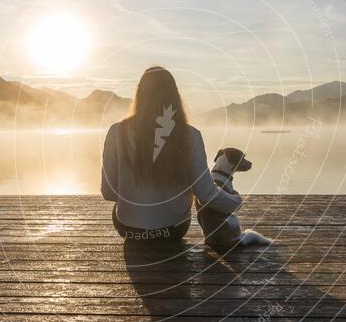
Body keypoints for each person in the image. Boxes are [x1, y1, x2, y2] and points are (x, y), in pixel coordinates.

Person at [100, 66, 242, 241]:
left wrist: (136, 199)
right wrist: (235, 201)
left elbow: (108, 192)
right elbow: (205, 193)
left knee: (120, 211)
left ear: (140, 95)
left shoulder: (116, 132)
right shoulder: (191, 135)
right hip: (172, 230)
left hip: (130, 230)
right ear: (175, 96)